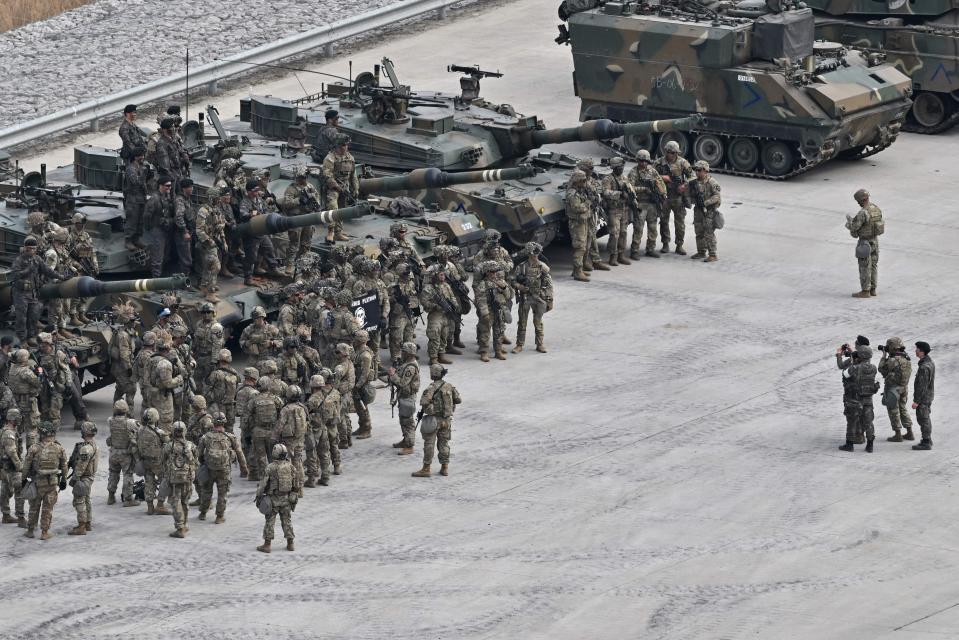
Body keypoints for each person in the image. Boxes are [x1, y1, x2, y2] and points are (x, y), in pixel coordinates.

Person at [10, 236, 63, 345]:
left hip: (33, 293)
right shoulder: (19, 260)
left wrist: (61, 276)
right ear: (25, 248)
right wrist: (28, 270)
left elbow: (48, 271)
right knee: (22, 318)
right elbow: (14, 275)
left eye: (33, 248)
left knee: (33, 317)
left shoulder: (37, 259)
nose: (31, 251)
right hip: (21, 294)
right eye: (29, 248)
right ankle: (22, 340)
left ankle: (31, 336)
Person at [197, 412, 248, 524]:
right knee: (222, 493)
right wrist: (244, 468)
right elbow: (240, 453)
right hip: (224, 469)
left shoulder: (206, 437)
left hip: (209, 468)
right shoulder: (230, 437)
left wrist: (202, 464)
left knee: (206, 491)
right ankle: (219, 517)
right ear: (224, 422)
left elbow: (199, 454)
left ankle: (203, 513)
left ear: (213, 423)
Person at [412, 364, 462, 478]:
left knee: (429, 444)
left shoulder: (431, 388)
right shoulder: (449, 386)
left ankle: (426, 468)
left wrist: (432, 410)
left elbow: (424, 402)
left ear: (433, 374)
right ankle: (444, 467)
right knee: (444, 444)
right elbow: (458, 399)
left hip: (434, 420)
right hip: (446, 420)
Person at [22, 421, 68, 540]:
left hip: (37, 483)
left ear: (41, 433)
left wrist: (23, 479)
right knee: (48, 509)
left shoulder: (34, 448)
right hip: (52, 484)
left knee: (34, 508)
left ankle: (30, 531)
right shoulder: (59, 448)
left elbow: (26, 465)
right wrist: (64, 480)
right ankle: (44, 532)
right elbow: (64, 466)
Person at [255, 443, 299, 553]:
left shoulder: (270, 467)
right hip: (286, 499)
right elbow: (296, 483)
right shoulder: (291, 467)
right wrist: (294, 495)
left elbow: (263, 484)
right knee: (287, 520)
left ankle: (267, 545)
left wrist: (258, 496)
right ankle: (290, 543)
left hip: (273, 499)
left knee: (270, 521)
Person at [512, 242, 554, 353]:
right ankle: (519, 344)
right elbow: (512, 280)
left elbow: (549, 284)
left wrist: (549, 300)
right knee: (522, 322)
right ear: (529, 254)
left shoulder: (542, 267)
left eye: (537, 254)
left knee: (538, 322)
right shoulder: (521, 267)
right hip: (525, 297)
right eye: (533, 254)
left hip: (538, 297)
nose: (535, 256)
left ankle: (540, 344)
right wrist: (519, 286)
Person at [837, 345, 879, 452]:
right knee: (868, 422)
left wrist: (851, 361)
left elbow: (845, 374)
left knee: (852, 421)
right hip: (868, 400)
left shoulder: (855, 368)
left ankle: (849, 445)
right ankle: (870, 445)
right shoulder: (874, 368)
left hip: (855, 400)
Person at [655, 140, 694, 254]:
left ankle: (679, 245)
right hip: (664, 197)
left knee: (680, 223)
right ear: (666, 151)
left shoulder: (682, 162)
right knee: (663, 221)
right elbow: (650, 175)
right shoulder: (659, 163)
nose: (674, 155)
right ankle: (665, 243)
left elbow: (693, 176)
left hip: (678, 197)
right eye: (671, 152)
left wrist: (684, 185)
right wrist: (662, 177)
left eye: (675, 153)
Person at [628, 150, 667, 260]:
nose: (643, 163)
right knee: (638, 229)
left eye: (645, 161)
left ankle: (650, 249)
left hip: (652, 204)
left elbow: (661, 183)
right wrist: (644, 189)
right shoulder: (633, 172)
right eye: (641, 161)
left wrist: (663, 194)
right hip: (640, 204)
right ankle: (634, 250)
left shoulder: (653, 171)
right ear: (637, 160)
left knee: (653, 228)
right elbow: (630, 188)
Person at [281, 166, 322, 274]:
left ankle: (305, 264)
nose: (302, 180)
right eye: (300, 177)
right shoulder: (291, 189)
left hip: (308, 217)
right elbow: (287, 203)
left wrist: (315, 203)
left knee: (306, 244)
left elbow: (316, 198)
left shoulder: (310, 186)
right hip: (297, 219)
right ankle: (289, 265)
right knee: (294, 243)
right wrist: (299, 200)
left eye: (304, 177)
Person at [162, 421, 197, 538]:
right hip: (187, 478)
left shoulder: (168, 446)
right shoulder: (190, 445)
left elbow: (163, 459)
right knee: (185, 501)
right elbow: (196, 460)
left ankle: (180, 527)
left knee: (175, 502)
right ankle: (185, 524)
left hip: (174, 479)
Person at [846, 188, 883, 298]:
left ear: (861, 200)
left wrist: (848, 223)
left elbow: (854, 226)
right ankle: (873, 289)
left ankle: (865, 291)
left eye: (858, 201)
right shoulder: (875, 208)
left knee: (864, 266)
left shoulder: (863, 212)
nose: (857, 203)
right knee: (874, 265)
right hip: (875, 241)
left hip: (865, 243)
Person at [322, 134, 358, 242]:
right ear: (337, 145)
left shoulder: (350, 158)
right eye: (343, 145)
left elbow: (353, 175)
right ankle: (330, 231)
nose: (345, 147)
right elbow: (327, 175)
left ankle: (338, 232)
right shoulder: (330, 158)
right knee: (333, 207)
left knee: (342, 210)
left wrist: (356, 188)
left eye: (346, 145)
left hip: (345, 187)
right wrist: (336, 187)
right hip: (333, 188)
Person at [878, 337, 914, 442]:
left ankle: (897, 434)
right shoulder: (906, 359)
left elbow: (881, 369)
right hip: (904, 388)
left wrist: (884, 356)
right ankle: (909, 432)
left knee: (893, 411)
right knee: (903, 409)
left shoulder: (893, 360)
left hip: (893, 389)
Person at [106, 400, 140, 508]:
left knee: (113, 473)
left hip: (113, 452)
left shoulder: (110, 420)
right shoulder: (130, 423)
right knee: (127, 475)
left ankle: (111, 496)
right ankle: (128, 498)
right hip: (125, 454)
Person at [388, 342, 420, 454]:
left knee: (408, 421)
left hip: (408, 397)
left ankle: (409, 445)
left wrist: (393, 375)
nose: (402, 353)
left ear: (409, 353)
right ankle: (406, 440)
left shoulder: (411, 367)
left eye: (404, 351)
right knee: (403, 419)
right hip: (403, 395)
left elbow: (402, 383)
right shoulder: (407, 363)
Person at [137, 408, 170, 515]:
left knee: (149, 482)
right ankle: (160, 504)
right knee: (165, 480)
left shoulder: (140, 430)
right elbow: (168, 443)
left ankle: (150, 507)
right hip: (158, 462)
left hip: (145, 461)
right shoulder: (159, 432)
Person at [600, 156, 633, 266]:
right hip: (614, 210)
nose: (622, 168)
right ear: (614, 168)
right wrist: (619, 194)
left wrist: (630, 196)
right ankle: (612, 256)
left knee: (623, 233)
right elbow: (605, 192)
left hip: (624, 209)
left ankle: (621, 255)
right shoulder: (608, 179)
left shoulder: (624, 178)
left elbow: (630, 190)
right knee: (614, 234)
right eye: (619, 167)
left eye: (622, 166)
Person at [67, 421, 98, 535]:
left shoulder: (86, 449)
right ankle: (87, 523)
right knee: (86, 499)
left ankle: (81, 526)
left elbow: (81, 466)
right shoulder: (93, 444)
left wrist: (74, 479)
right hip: (89, 477)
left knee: (79, 501)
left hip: (83, 478)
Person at [68, 212, 99, 324]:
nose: (82, 226)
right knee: (76, 293)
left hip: (87, 265)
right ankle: (73, 316)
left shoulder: (86, 235)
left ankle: (82, 313)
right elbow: (66, 255)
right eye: (80, 223)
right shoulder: (69, 236)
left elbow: (92, 251)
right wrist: (76, 265)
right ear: (75, 223)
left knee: (86, 292)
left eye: (83, 224)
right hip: (76, 267)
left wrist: (95, 264)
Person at [143, 176, 177, 277]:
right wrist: (151, 228)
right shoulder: (154, 199)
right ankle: (156, 282)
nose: (169, 188)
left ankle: (160, 277)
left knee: (164, 256)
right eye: (167, 186)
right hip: (157, 230)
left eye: (170, 186)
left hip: (165, 229)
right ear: (160, 186)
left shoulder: (166, 197)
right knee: (157, 257)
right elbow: (146, 216)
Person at [249, 376, 282, 481]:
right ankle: (274, 477)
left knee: (261, 457)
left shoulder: (254, 400)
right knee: (273, 456)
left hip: (258, 431)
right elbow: (282, 412)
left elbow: (247, 415)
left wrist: (249, 429)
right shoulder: (276, 399)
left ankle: (264, 478)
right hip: (272, 431)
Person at [689, 160, 722, 262]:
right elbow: (689, 194)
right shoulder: (694, 182)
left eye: (699, 170)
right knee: (699, 231)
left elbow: (717, 196)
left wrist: (706, 203)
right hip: (698, 210)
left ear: (705, 170)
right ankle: (701, 251)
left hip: (709, 211)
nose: (697, 172)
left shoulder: (712, 182)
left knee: (708, 232)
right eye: (696, 170)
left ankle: (712, 254)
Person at [9, 349, 40, 450]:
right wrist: (39, 374)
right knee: (32, 428)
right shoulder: (26, 371)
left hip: (15, 401)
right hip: (27, 401)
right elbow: (37, 383)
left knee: (17, 427)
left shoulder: (12, 368)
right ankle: (31, 453)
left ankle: (16, 451)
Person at [565, 170, 592, 282]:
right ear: (578, 181)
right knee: (579, 247)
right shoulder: (573, 194)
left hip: (582, 222)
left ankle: (578, 269)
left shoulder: (579, 191)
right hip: (576, 223)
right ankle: (577, 272)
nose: (585, 183)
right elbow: (577, 208)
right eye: (583, 181)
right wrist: (588, 203)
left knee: (583, 245)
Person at [192, 304, 224, 395]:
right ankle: (199, 398)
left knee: (209, 381)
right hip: (199, 356)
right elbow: (196, 340)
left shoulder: (216, 327)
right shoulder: (199, 324)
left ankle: (208, 399)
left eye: (208, 312)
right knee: (196, 379)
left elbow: (217, 345)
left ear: (213, 313)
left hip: (209, 358)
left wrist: (214, 361)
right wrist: (193, 352)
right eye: (204, 312)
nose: (206, 314)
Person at [0, 409, 25, 527]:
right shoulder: (9, 433)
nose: (20, 419)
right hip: (11, 467)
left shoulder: (7, 431)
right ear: (13, 419)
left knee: (5, 490)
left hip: (5, 467)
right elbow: (12, 452)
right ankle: (20, 518)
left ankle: (6, 515)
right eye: (18, 417)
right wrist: (20, 466)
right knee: (19, 489)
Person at [123, 146, 149, 250]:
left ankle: (136, 239)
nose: (143, 157)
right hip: (133, 199)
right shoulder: (130, 169)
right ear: (135, 157)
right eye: (141, 156)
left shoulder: (141, 167)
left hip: (141, 198)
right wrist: (143, 175)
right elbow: (135, 182)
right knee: (132, 220)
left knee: (140, 221)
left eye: (143, 155)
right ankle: (128, 240)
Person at [352, 330, 376, 440]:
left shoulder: (365, 355)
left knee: (363, 407)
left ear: (360, 341)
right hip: (357, 382)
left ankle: (367, 429)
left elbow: (365, 374)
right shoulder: (358, 351)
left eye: (356, 340)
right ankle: (362, 426)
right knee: (358, 407)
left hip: (362, 385)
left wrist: (358, 386)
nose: (354, 341)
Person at [911, 341, 936, 451]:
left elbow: (922, 386)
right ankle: (927, 439)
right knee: (925, 417)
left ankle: (926, 442)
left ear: (922, 352)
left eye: (917, 349)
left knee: (923, 418)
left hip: (923, 397)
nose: (915, 351)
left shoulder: (924, 367)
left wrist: (916, 401)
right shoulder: (929, 362)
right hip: (928, 396)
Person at [172, 178, 196, 289]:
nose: (191, 189)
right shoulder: (180, 200)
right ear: (184, 188)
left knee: (188, 258)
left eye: (192, 187)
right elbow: (179, 217)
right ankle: (184, 283)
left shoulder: (188, 199)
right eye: (189, 187)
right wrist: (184, 231)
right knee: (186, 260)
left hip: (189, 232)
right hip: (182, 234)